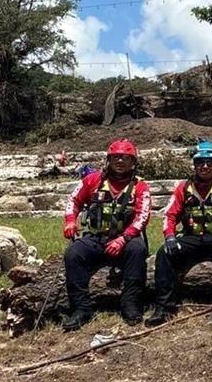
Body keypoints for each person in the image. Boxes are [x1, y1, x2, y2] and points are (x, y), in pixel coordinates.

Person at [145, 141, 212, 328]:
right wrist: (170, 236)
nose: (205, 166)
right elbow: (170, 215)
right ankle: (163, 306)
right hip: (192, 238)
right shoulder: (183, 187)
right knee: (164, 253)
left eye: (210, 163)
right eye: (200, 162)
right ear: (194, 164)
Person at [62, 138, 151, 331]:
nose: (120, 162)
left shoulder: (141, 187)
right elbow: (73, 201)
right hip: (95, 238)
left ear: (133, 162)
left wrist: (123, 238)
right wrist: (70, 220)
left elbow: (142, 216)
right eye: (116, 157)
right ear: (108, 160)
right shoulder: (92, 181)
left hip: (126, 240)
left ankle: (130, 304)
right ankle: (81, 308)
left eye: (126, 158)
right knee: (73, 253)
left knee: (138, 250)